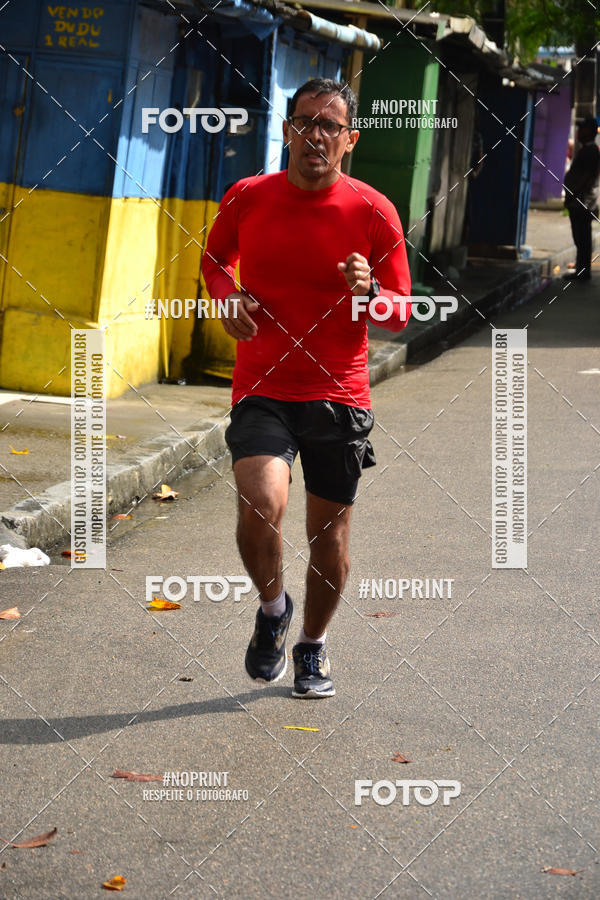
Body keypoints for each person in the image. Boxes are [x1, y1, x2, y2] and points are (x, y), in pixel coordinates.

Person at [201, 78, 411, 698]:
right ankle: (273, 609)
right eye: (304, 122)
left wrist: (369, 292)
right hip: (262, 386)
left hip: (337, 396)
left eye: (329, 125)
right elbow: (215, 261)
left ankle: (313, 645)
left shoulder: (374, 211)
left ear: (350, 140)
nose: (314, 135)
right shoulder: (248, 196)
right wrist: (226, 297)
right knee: (260, 502)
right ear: (286, 130)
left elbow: (401, 312)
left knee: (330, 536)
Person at [563, 117, 599, 282]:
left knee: (582, 238)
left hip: (582, 202)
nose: (578, 132)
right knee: (580, 238)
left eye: (582, 128)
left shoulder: (591, 151)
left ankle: (583, 272)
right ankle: (581, 270)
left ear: (589, 132)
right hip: (580, 201)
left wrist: (573, 194)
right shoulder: (586, 150)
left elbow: (587, 177)